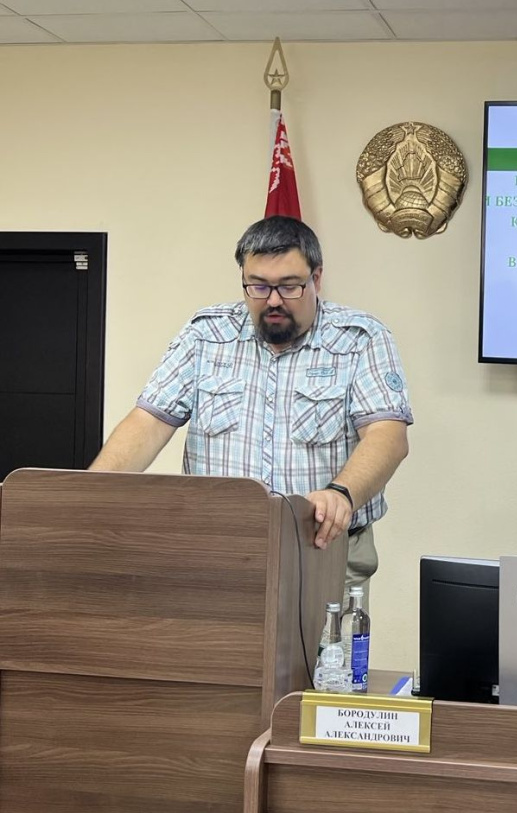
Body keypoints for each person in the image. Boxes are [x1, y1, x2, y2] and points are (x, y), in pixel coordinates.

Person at [89, 216, 412, 594]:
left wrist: (341, 493)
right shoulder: (207, 336)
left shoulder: (360, 339)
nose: (273, 300)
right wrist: (89, 495)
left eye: (289, 286)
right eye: (258, 286)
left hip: (323, 550)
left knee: (327, 638)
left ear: (317, 278)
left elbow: (387, 436)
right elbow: (149, 422)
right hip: (217, 551)